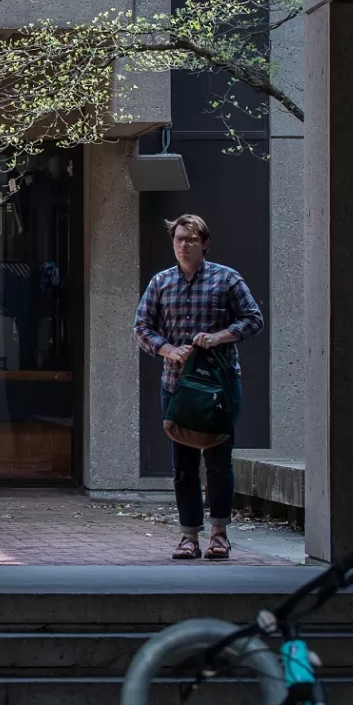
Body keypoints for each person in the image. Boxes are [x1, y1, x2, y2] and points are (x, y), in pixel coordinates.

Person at [134, 213, 265, 561]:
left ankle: (219, 534)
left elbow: (254, 319)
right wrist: (168, 349)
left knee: (219, 460)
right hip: (176, 384)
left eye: (191, 239)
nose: (183, 244)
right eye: (179, 238)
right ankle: (188, 537)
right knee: (183, 464)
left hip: (219, 385)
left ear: (204, 243)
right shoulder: (161, 283)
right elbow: (141, 327)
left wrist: (219, 337)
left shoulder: (227, 279)